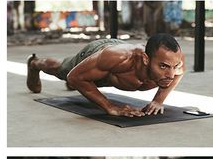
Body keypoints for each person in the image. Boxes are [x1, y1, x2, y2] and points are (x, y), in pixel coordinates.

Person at [26, 33, 185, 117]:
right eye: (163, 66)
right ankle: (34, 63)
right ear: (145, 59)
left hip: (110, 71)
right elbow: (74, 77)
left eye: (174, 66)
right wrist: (110, 107)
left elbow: (179, 72)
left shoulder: (175, 59)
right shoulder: (119, 58)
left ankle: (88, 78)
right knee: (62, 70)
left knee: (85, 80)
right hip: (98, 53)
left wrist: (158, 101)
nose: (170, 74)